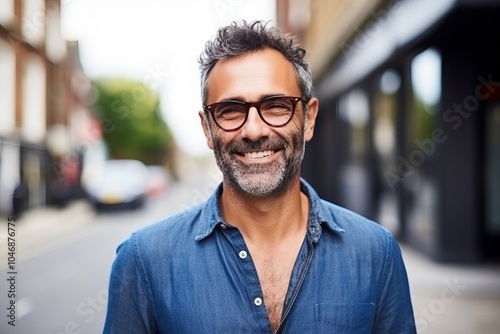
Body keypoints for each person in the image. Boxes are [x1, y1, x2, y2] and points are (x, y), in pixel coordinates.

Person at [103, 20, 416, 333]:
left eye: (276, 106)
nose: (254, 130)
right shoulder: (144, 261)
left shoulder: (376, 253)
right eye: (231, 110)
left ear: (308, 120)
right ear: (207, 128)